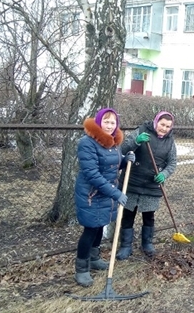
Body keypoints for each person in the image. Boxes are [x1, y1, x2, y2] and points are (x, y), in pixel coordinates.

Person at [73, 108, 135, 287]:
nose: (109, 126)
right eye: (106, 122)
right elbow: (92, 173)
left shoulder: (113, 142)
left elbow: (113, 165)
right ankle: (82, 270)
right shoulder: (87, 143)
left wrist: (126, 159)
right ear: (99, 122)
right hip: (91, 194)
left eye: (113, 122)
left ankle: (94, 258)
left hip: (106, 193)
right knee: (90, 229)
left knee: (100, 224)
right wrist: (116, 193)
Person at [116, 111, 177, 259]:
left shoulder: (170, 141)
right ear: (156, 122)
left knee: (149, 216)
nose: (164, 128)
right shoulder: (142, 130)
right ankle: (125, 246)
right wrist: (136, 141)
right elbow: (122, 149)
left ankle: (147, 244)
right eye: (162, 124)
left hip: (152, 185)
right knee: (128, 215)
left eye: (168, 126)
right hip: (132, 181)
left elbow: (172, 163)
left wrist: (164, 174)